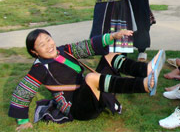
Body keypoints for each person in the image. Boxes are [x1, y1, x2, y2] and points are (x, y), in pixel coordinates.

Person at [8, 29, 166, 131]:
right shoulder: (39, 69)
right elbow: (22, 92)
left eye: (48, 39)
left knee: (109, 56)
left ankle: (145, 70)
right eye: (42, 45)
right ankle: (144, 85)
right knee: (91, 78)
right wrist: (22, 121)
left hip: (88, 94)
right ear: (34, 52)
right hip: (78, 108)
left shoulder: (63, 50)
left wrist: (113, 36)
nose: (49, 45)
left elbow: (86, 46)